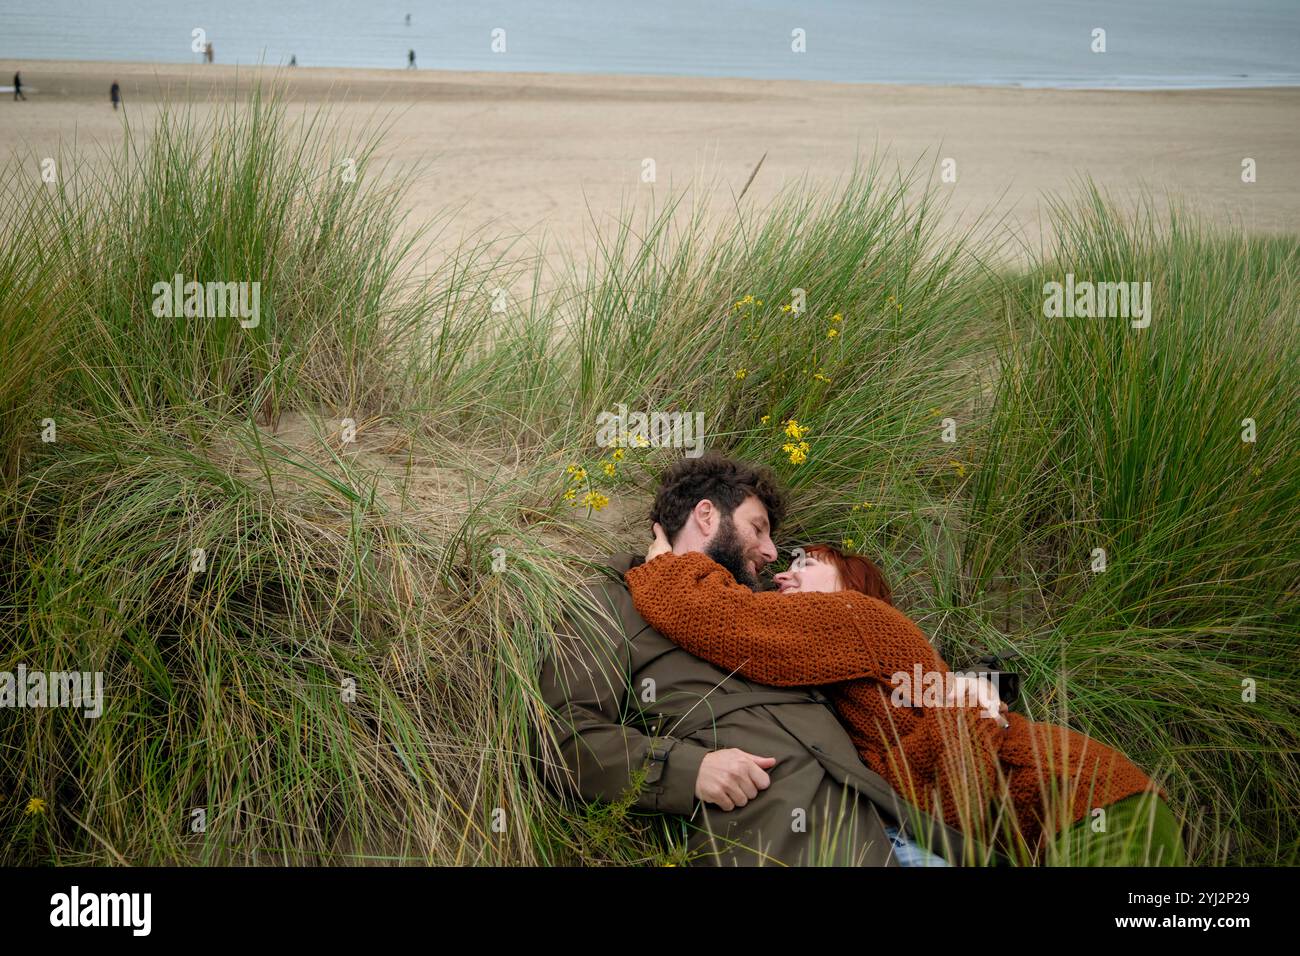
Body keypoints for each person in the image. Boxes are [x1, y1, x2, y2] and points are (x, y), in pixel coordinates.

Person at [624, 533, 1188, 866]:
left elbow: (723, 621)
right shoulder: (843, 662)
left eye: (808, 564)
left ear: (850, 585)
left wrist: (666, 566)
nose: (785, 577)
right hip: (1061, 816)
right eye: (786, 566)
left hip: (1086, 804)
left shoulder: (854, 618)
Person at [537, 452, 988, 866]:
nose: (773, 553)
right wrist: (687, 770)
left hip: (904, 834)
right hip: (788, 847)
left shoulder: (762, 617)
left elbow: (872, 676)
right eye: (758, 528)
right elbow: (560, 736)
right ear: (707, 514)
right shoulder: (612, 602)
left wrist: (956, 692)